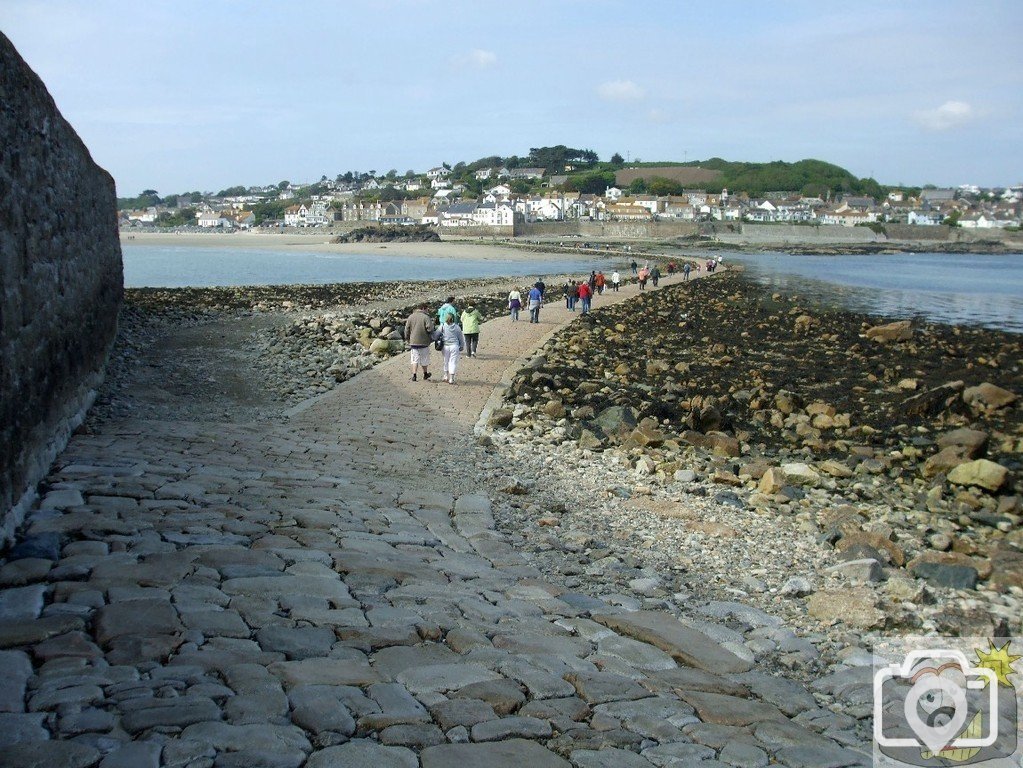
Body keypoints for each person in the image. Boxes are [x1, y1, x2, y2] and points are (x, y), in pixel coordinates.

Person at [404, 303, 435, 382]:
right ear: (424, 308)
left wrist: (408, 339)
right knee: (424, 358)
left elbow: (406, 329)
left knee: (414, 359)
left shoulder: (411, 317)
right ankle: (425, 373)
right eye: (427, 309)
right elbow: (430, 329)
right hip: (424, 341)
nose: (428, 311)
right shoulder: (426, 317)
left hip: (413, 341)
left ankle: (414, 375)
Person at [438, 312, 466, 384]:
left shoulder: (443, 326)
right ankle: (451, 378)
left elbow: (436, 334)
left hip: (445, 346)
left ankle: (445, 376)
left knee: (446, 360)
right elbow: (461, 338)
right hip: (454, 346)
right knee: (453, 362)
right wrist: (462, 345)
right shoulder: (457, 327)